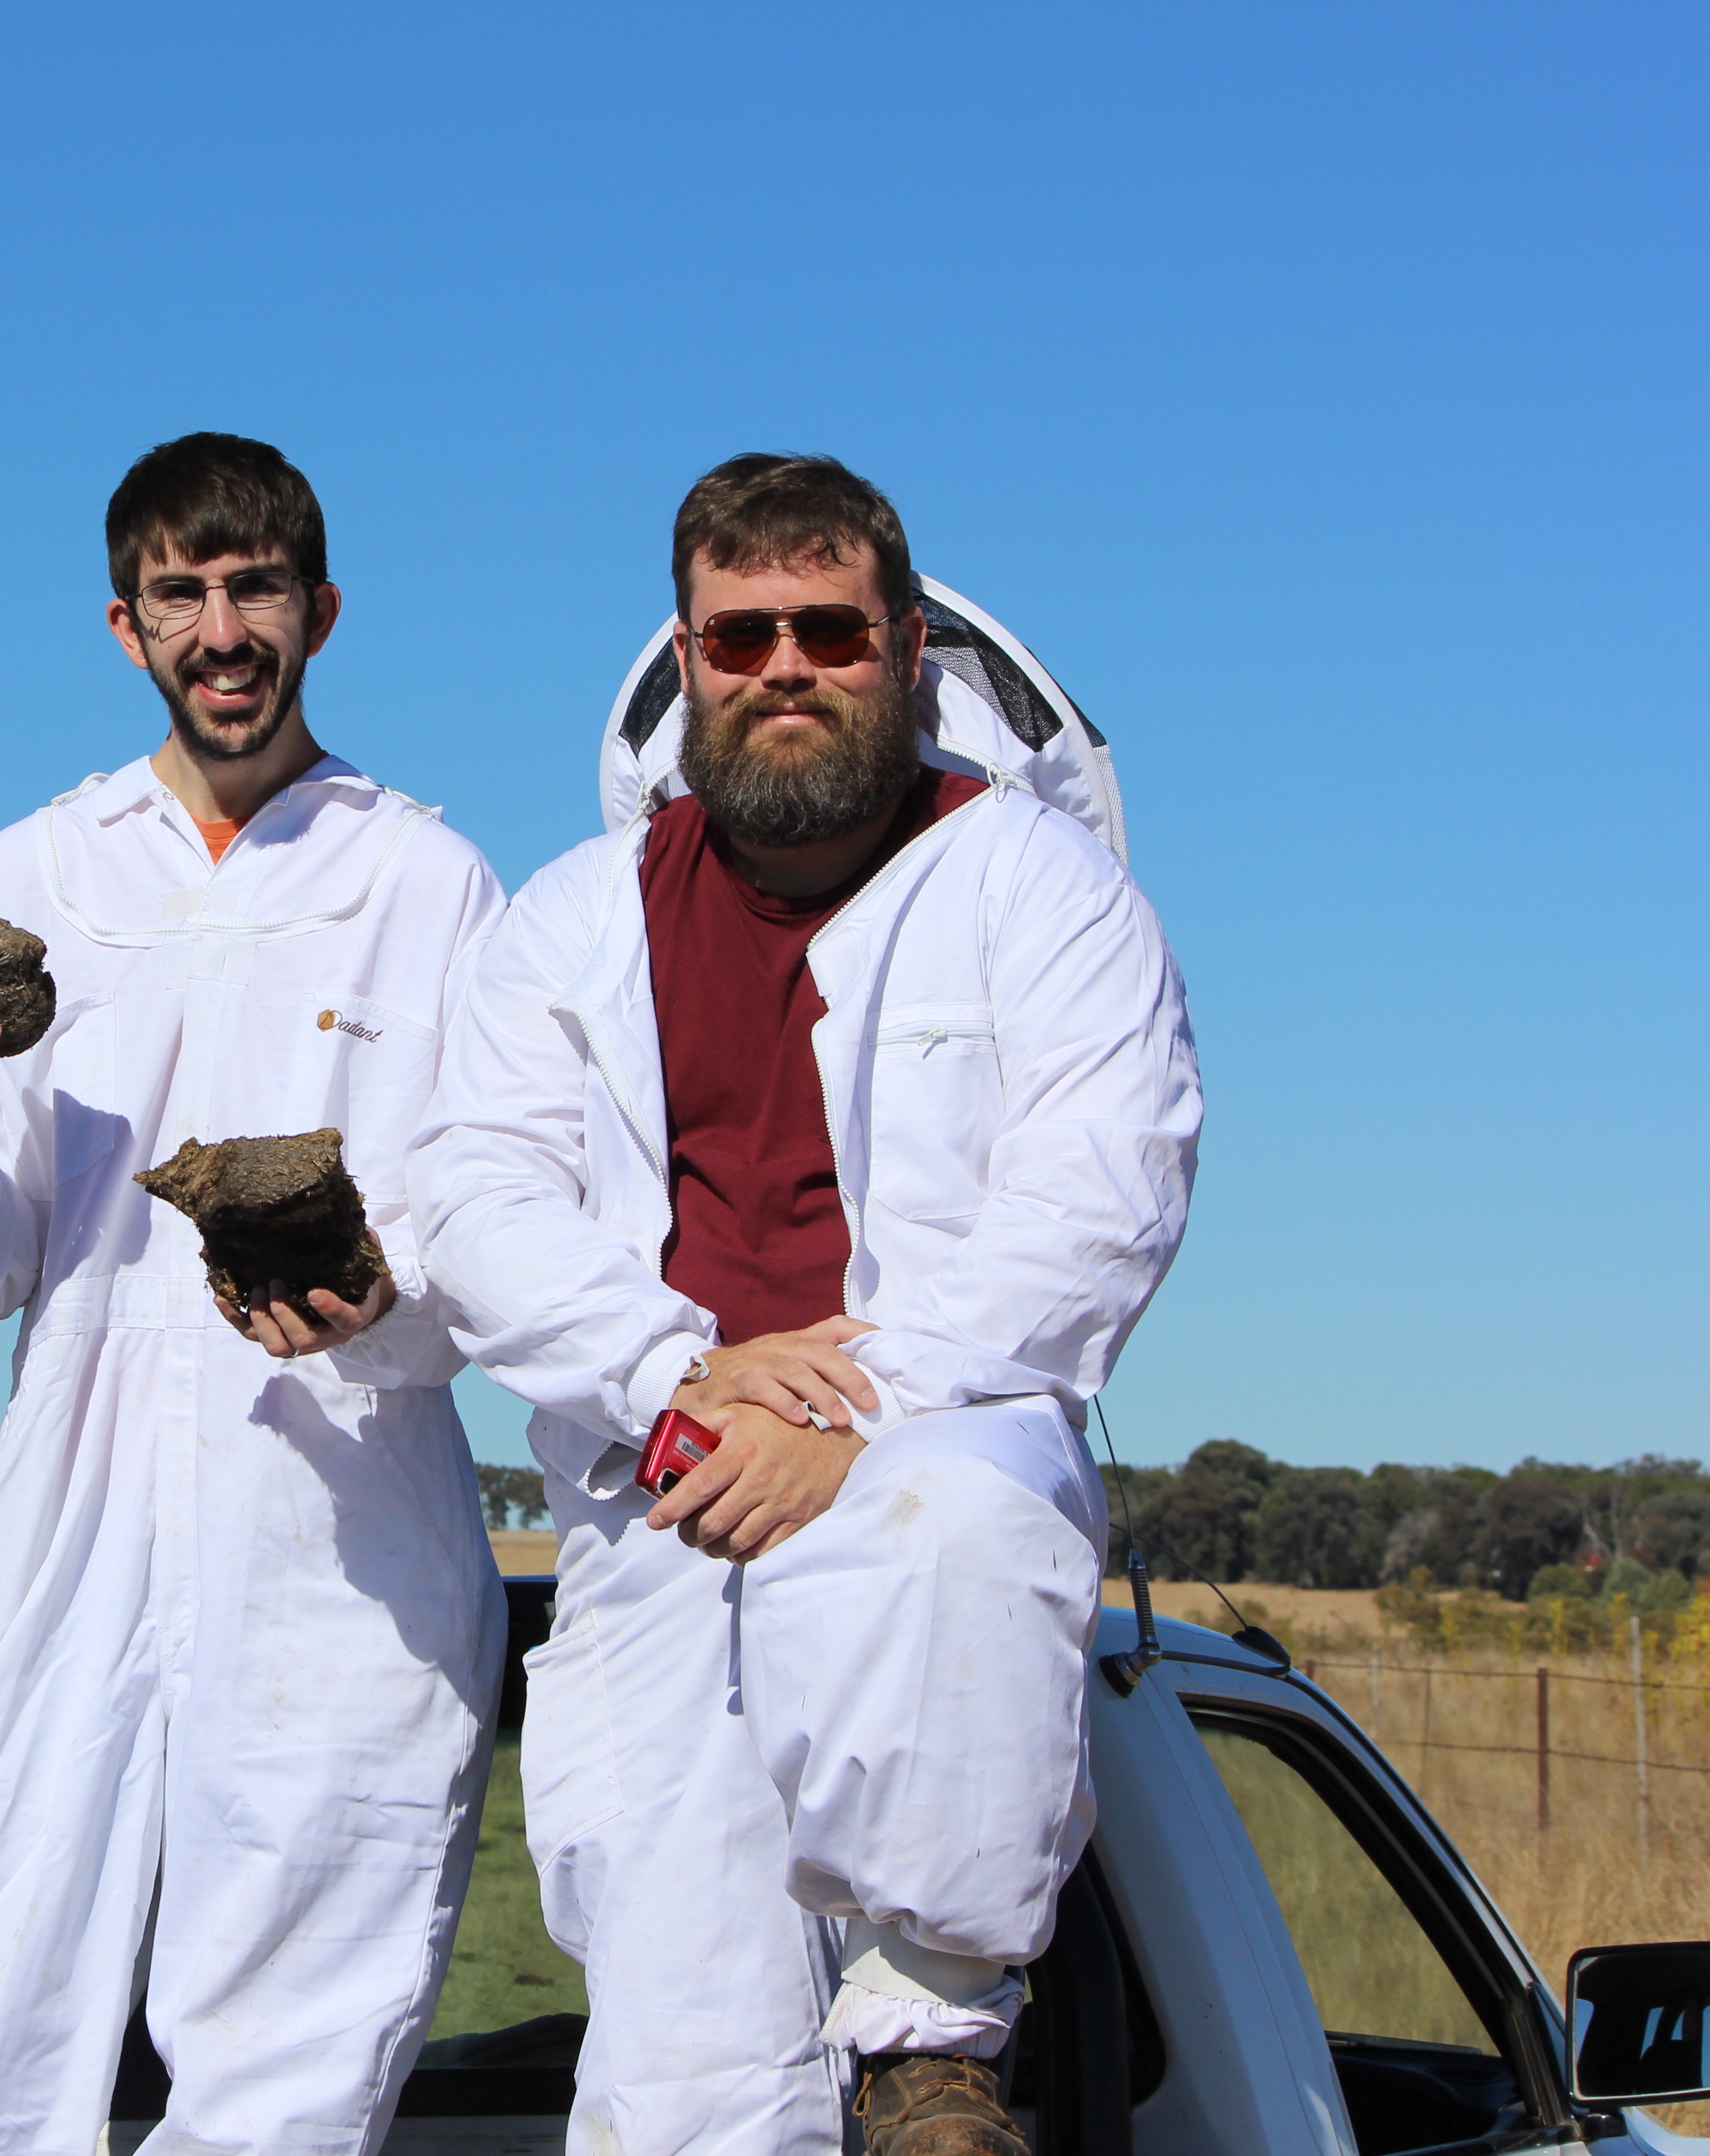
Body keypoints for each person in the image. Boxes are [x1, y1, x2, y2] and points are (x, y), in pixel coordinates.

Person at [410, 455, 1200, 2156]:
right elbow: (476, 1204)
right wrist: (686, 1379)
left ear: (910, 651)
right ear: (687, 661)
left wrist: (858, 1422)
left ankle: (932, 2035)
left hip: (933, 1455)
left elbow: (1100, 1201)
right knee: (683, 2078)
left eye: (827, 631)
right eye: (740, 633)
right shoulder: (568, 924)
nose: (784, 666)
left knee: (960, 1517)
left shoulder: (1042, 893)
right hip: (662, 1501)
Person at [0, 433, 510, 2155]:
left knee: (293, 2058)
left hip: (346, 1527)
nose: (222, 630)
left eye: (255, 589)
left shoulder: (428, 882)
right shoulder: (40, 869)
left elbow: (496, 1217)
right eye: (182, 595)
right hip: (74, 1510)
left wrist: (384, 1297)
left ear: (323, 610)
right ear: (125, 626)